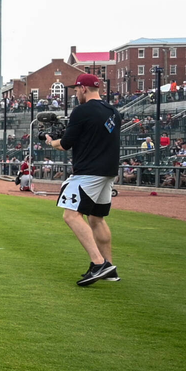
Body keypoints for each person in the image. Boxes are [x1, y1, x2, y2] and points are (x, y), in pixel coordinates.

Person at [43, 73, 121, 286]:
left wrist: (51, 142)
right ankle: (110, 268)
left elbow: (66, 144)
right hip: (108, 171)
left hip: (88, 172)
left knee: (71, 216)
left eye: (76, 89)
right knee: (96, 219)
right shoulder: (113, 111)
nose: (76, 93)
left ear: (84, 88)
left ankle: (99, 264)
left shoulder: (82, 110)